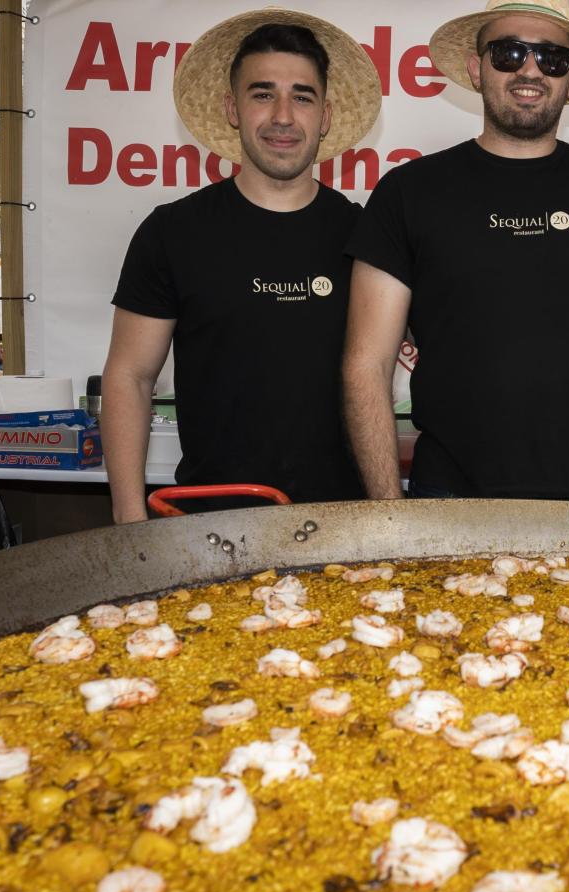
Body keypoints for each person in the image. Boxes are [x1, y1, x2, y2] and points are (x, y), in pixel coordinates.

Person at [342, 0, 569, 501]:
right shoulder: (409, 192)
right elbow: (367, 363)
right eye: (509, 52)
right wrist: (389, 517)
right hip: (449, 496)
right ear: (476, 69)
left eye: (552, 58)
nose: (530, 69)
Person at [100, 10, 382, 522]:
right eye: (262, 94)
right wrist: (127, 517)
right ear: (233, 108)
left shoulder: (364, 235)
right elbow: (130, 377)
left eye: (302, 96)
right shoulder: (172, 231)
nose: (282, 116)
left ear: (326, 115)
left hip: (344, 522)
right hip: (210, 520)